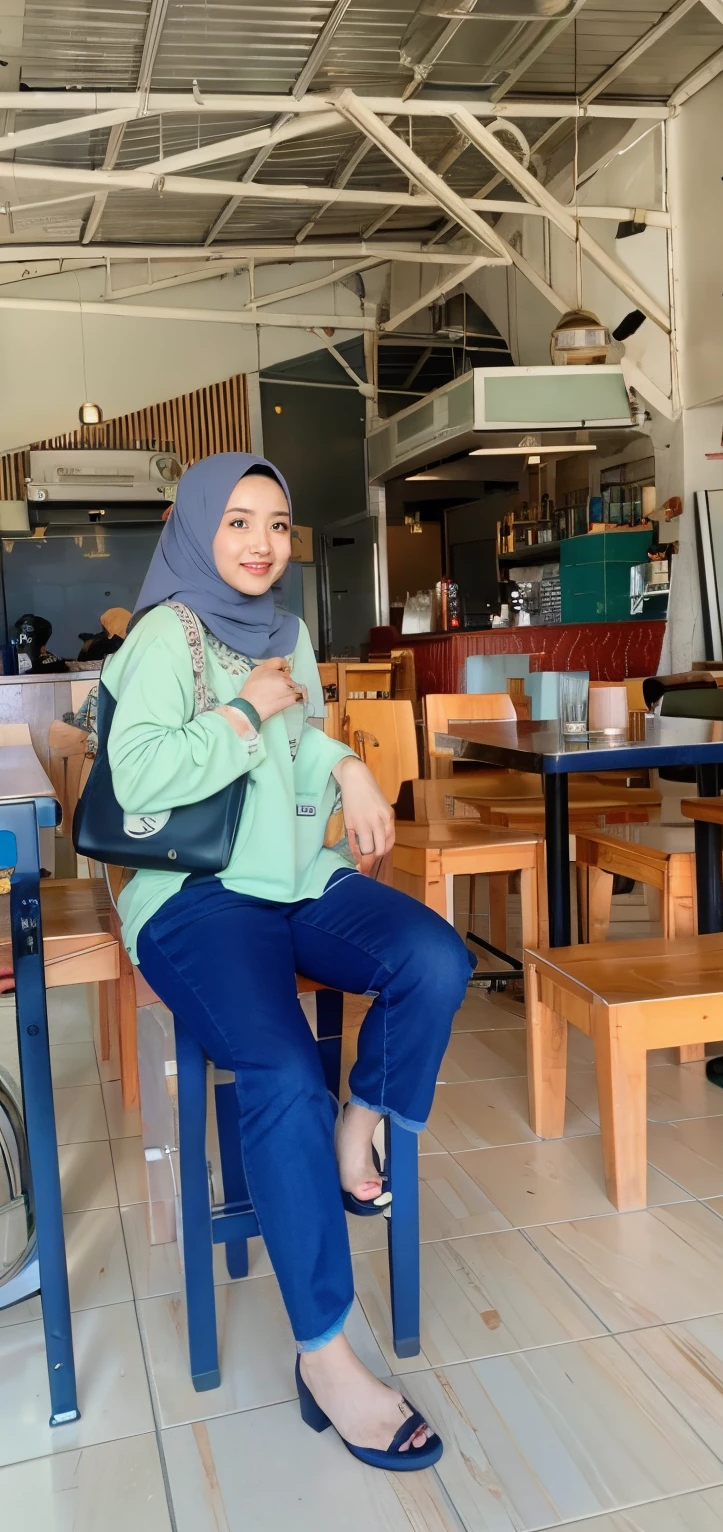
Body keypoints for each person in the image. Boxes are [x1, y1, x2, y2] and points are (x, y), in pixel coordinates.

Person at [105, 452, 474, 1473]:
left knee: (433, 961)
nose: (261, 542)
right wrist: (245, 712)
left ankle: (359, 1132)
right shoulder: (162, 640)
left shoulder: (290, 634)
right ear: (194, 531)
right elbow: (135, 776)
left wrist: (349, 763)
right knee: (274, 1074)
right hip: (193, 896)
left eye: (275, 522)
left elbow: (300, 739)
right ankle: (325, 1351)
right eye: (237, 522)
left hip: (296, 877)